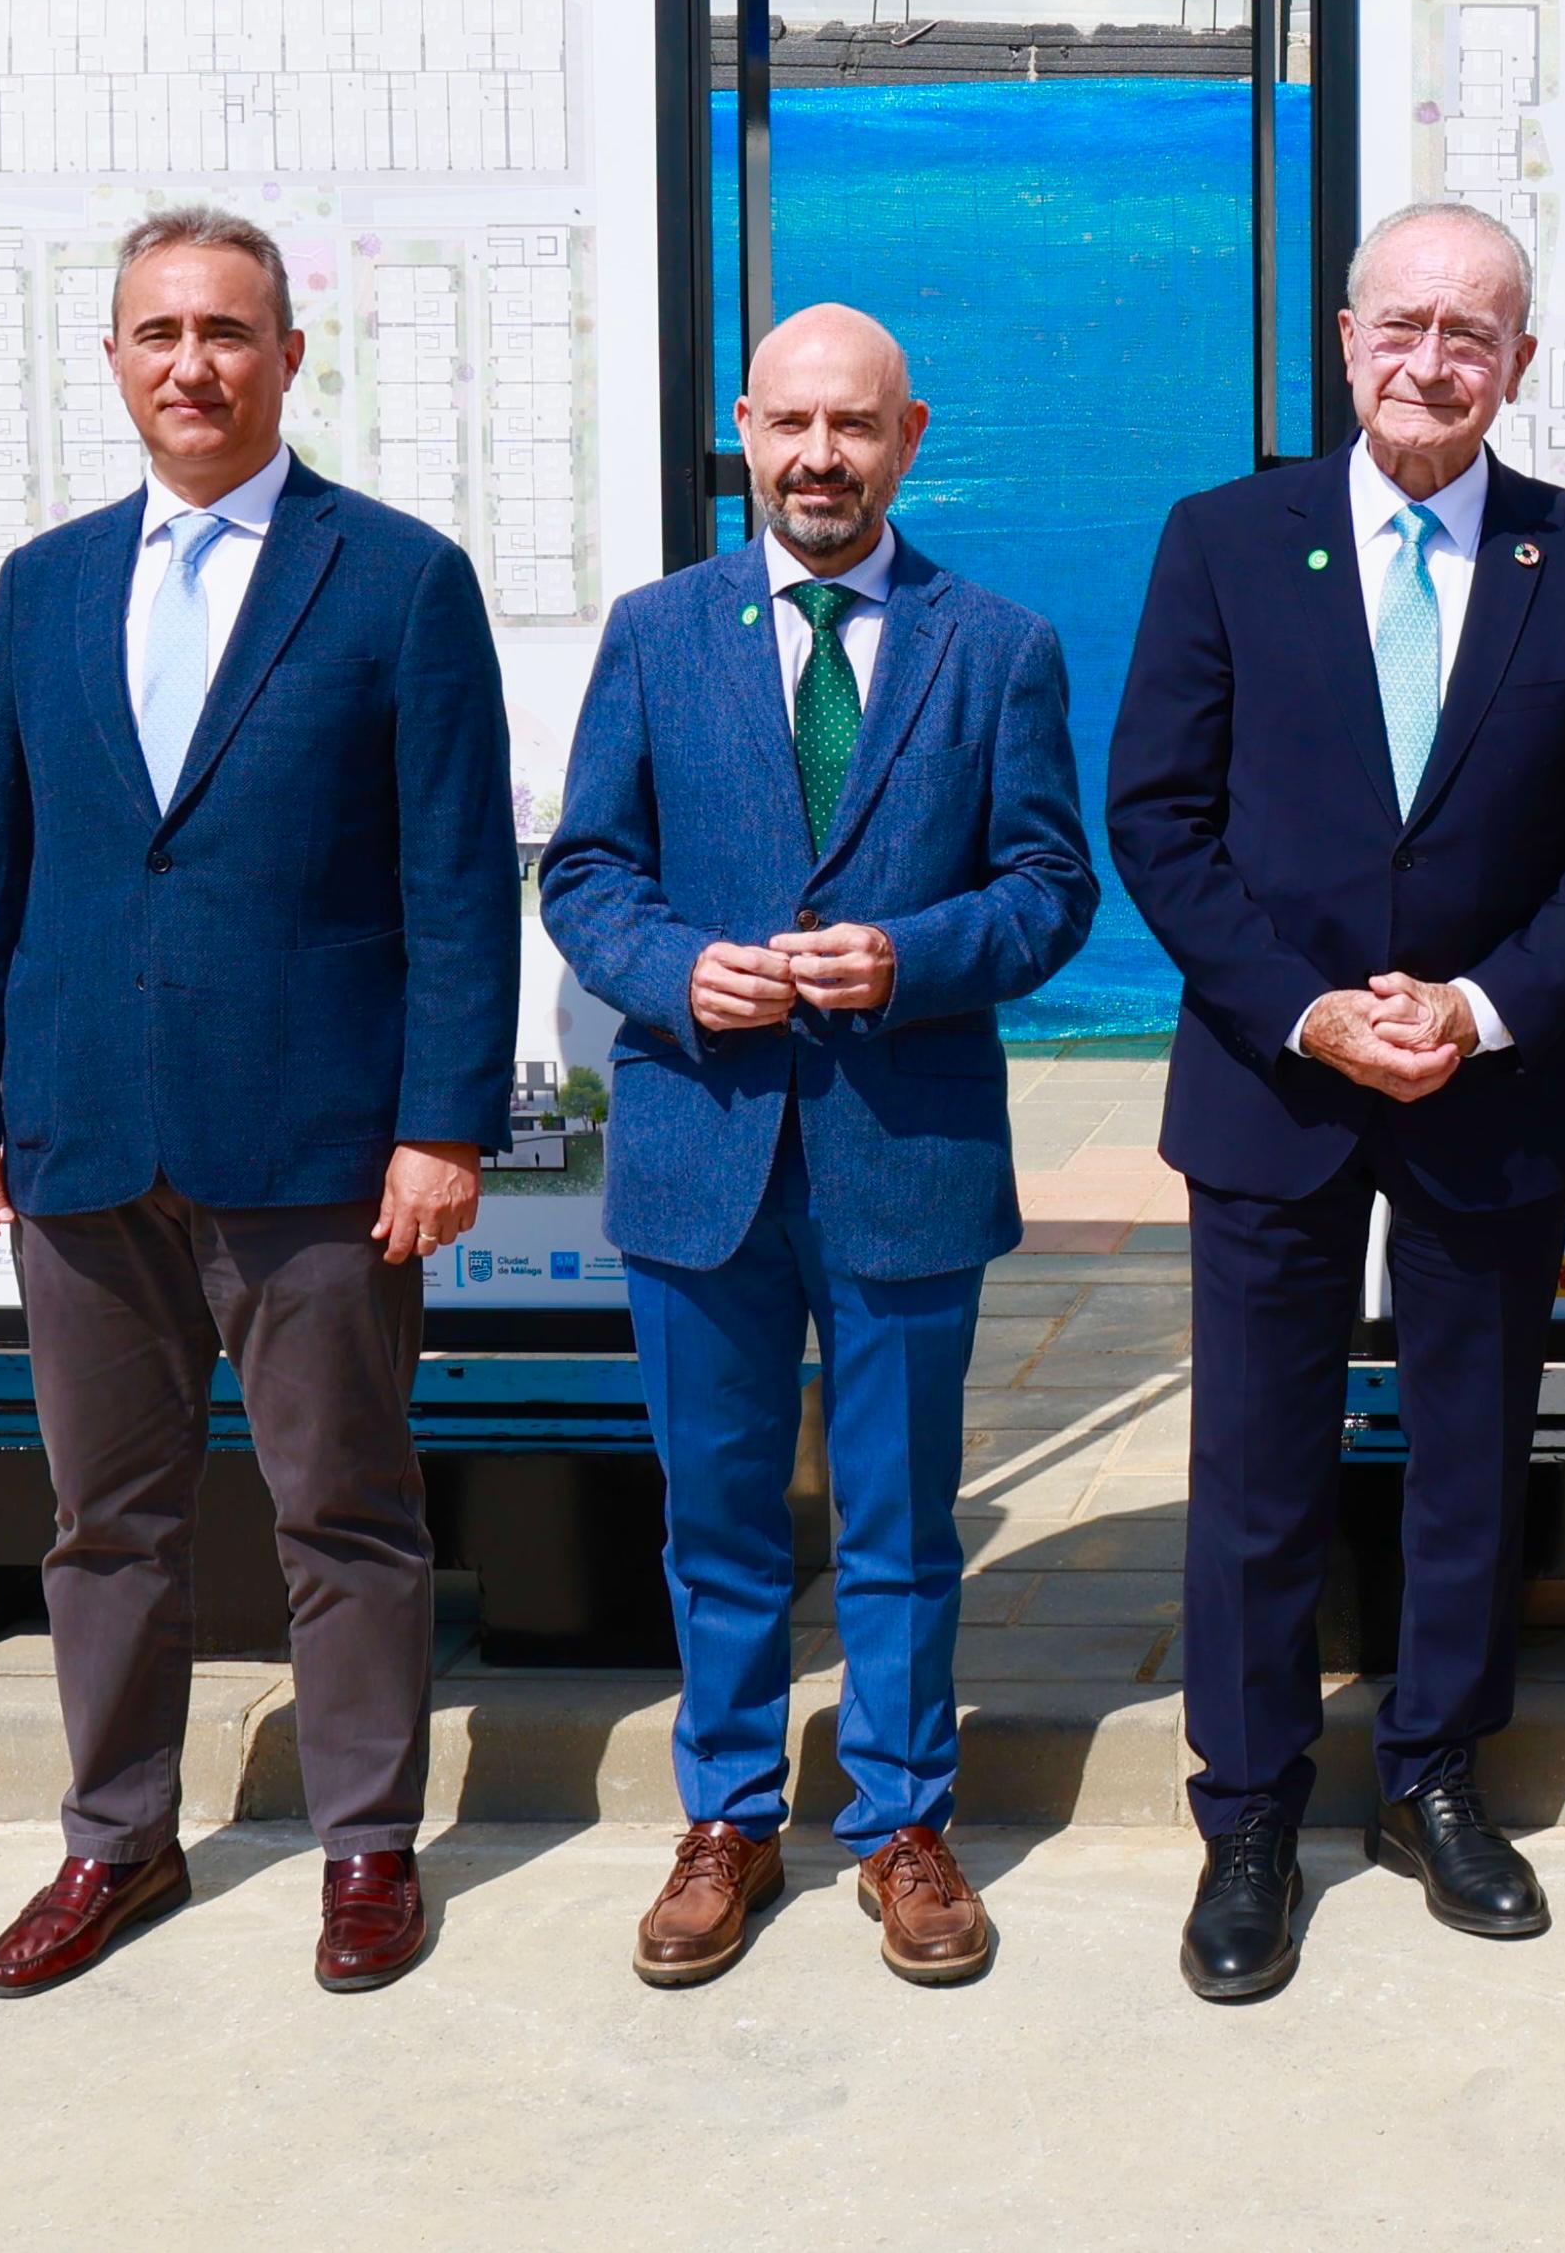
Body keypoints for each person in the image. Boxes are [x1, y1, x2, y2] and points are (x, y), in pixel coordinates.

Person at [0, 204, 517, 2000]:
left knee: (346, 1510)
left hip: (317, 1148)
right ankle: (117, 1839)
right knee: (107, 1522)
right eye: (161, 332)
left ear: (288, 358)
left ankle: (366, 1841)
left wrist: (443, 1122)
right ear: (113, 359)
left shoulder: (396, 578)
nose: (194, 363)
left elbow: (456, 880)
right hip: (84, 1133)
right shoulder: (46, 584)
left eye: (228, 331)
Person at [1108, 201, 1565, 2005]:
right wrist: (1305, 1012)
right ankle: (1248, 1809)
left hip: (1482, 1087)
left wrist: (1481, 1005)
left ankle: (1434, 1774)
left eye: (1473, 333)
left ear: (1520, 362)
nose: (1434, 361)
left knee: (1467, 1454)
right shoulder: (1222, 539)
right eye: (1406, 325)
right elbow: (1157, 818)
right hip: (1271, 1082)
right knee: (1255, 1463)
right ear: (1347, 338)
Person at [536, 303, 1098, 1993]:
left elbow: (1050, 887)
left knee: (901, 1519)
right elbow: (586, 869)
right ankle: (725, 1816)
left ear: (907, 437)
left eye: (853, 425)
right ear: (744, 429)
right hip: (699, 1144)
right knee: (716, 1514)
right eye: (790, 424)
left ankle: (902, 1820)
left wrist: (911, 956)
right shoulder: (656, 632)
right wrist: (671, 969)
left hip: (902, 1144)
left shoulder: (996, 645)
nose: (819, 457)